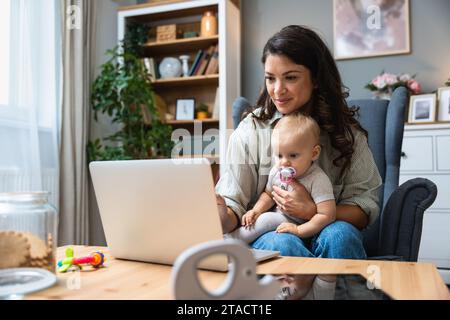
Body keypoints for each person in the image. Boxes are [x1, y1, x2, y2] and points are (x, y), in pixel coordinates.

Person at [215, 25, 382, 299]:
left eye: (290, 77)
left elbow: (364, 207)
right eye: (270, 78)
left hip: (328, 227)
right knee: (280, 240)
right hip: (275, 232)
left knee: (340, 235)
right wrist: (219, 213)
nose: (277, 90)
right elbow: (233, 207)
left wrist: (312, 212)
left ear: (315, 78)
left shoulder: (345, 133)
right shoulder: (250, 131)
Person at [226, 114, 336, 244]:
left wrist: (299, 230)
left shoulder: (318, 179)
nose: (284, 162)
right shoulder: (276, 172)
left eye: (293, 155)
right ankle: (228, 241)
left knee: (266, 220)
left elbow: (327, 215)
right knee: (261, 218)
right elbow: (268, 194)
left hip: (304, 225)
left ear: (314, 153)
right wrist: (256, 210)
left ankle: (229, 242)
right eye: (279, 155)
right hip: (282, 219)